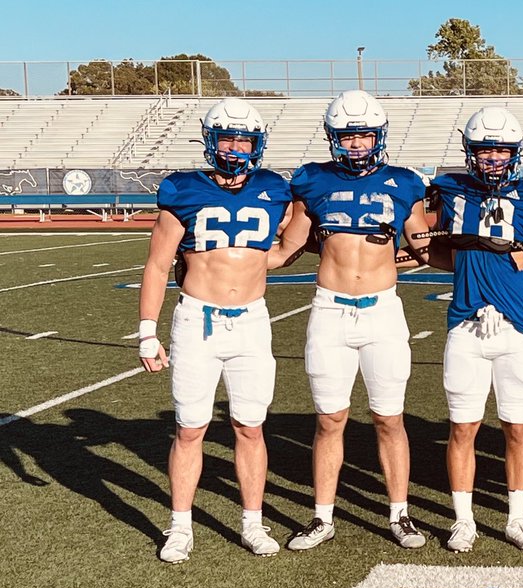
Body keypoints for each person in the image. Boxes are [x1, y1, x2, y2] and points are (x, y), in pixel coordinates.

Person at [267, 90, 429, 551]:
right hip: (330, 310)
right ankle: (322, 517)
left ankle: (400, 514)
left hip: (383, 310)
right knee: (330, 419)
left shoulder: (404, 182)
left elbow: (422, 248)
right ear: (333, 138)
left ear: (379, 136)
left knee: (389, 418)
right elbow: (286, 249)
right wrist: (233, 257)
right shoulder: (313, 181)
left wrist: (484, 257)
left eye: (363, 136)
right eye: (347, 136)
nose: (356, 145)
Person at [139, 98, 293, 563]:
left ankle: (252, 522)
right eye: (227, 137)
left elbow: (289, 243)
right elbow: (157, 263)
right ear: (210, 140)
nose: (235, 147)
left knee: (250, 427)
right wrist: (148, 330)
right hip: (197, 320)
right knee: (190, 428)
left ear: (258, 143)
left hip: (251, 320)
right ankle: (180, 526)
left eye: (244, 138)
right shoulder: (182, 190)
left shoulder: (274, 189)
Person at [413, 107, 523, 553]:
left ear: (515, 153)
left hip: (517, 331)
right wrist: (466, 263)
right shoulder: (451, 191)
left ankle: (516, 519)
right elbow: (424, 246)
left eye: (502, 150)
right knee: (464, 428)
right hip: (466, 325)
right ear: (470, 152)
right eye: (485, 151)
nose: (494, 158)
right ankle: (464, 520)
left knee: (518, 428)